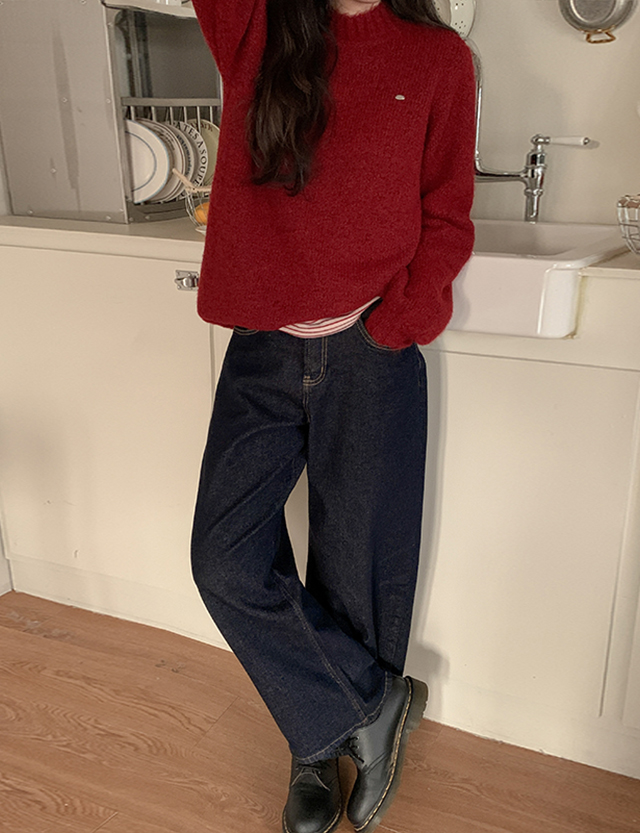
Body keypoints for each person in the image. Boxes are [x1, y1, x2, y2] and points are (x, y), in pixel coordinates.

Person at [189, 1, 476, 831]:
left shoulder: (438, 60)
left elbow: (447, 214)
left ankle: (316, 752)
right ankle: (373, 708)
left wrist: (395, 324)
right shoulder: (255, 25)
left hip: (369, 349)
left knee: (357, 572)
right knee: (224, 558)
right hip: (264, 348)